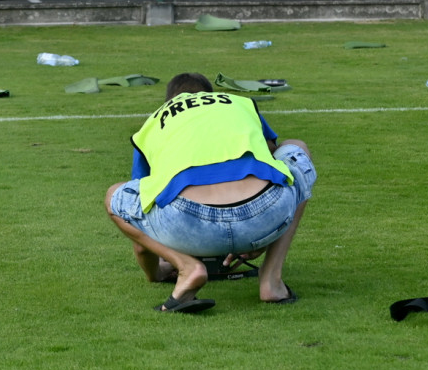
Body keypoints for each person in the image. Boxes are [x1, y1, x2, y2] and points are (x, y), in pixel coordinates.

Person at [105, 72, 316, 313]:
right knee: (297, 149)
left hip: (187, 223)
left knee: (115, 196)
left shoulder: (154, 122)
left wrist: (157, 272)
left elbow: (141, 218)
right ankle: (272, 281)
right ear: (212, 95)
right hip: (265, 212)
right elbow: (271, 160)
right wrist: (263, 236)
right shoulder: (239, 104)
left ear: (168, 102)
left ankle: (187, 268)